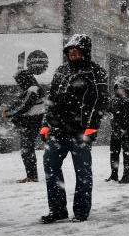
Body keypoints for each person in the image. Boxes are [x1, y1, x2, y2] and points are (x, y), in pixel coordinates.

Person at [39, 34, 108, 224]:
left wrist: (92, 128)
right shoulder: (61, 71)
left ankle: (81, 211)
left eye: (77, 51)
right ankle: (57, 210)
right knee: (50, 167)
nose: (73, 55)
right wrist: (45, 124)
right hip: (57, 130)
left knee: (82, 172)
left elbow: (100, 101)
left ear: (85, 52)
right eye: (70, 52)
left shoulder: (96, 72)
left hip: (81, 131)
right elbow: (51, 99)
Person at [4, 69, 44, 183]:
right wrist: (10, 110)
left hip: (31, 124)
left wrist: (10, 113)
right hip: (30, 123)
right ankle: (31, 176)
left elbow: (24, 106)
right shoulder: (32, 89)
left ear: (24, 79)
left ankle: (32, 177)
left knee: (27, 150)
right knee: (26, 150)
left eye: (19, 80)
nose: (18, 83)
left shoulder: (33, 89)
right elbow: (21, 103)